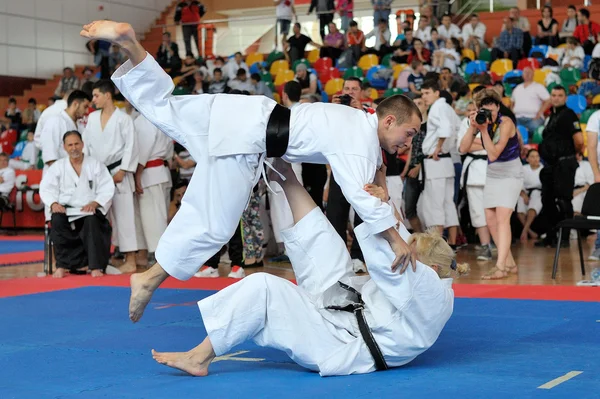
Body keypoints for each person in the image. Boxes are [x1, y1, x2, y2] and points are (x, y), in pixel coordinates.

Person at [80, 20, 422, 322]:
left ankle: (131, 43)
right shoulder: (360, 138)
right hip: (246, 141)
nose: (406, 144)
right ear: (389, 120)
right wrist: (395, 240)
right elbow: (361, 195)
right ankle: (149, 278)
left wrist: (382, 185)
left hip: (243, 113)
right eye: (407, 134)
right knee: (215, 225)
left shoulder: (360, 122)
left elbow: (374, 170)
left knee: (166, 108)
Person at [151, 158, 465, 377]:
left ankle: (200, 356)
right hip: (351, 313)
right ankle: (285, 174)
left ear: (431, 268)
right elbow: (397, 236)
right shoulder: (429, 283)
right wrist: (380, 185)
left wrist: (374, 201)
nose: (403, 251)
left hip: (342, 343)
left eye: (412, 255)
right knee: (326, 244)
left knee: (264, 287)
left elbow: (391, 249)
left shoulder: (431, 292)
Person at [460, 89, 523, 280]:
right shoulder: (480, 122)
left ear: (498, 107)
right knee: (491, 219)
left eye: (493, 111)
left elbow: (494, 154)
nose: (489, 115)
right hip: (493, 173)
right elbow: (463, 148)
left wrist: (483, 132)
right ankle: (510, 263)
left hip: (511, 172)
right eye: (485, 111)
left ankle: (500, 266)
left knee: (503, 218)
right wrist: (473, 128)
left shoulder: (506, 123)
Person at [83, 79, 140, 273]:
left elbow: (131, 145)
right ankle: (103, 257)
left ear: (108, 95)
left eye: (96, 95)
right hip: (99, 173)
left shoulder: (124, 118)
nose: (93, 99)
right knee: (101, 217)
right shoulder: (92, 119)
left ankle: (131, 259)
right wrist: (91, 172)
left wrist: (124, 170)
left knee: (124, 216)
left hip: (119, 173)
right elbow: (87, 146)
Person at [39, 131, 114, 278]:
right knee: (57, 219)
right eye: (70, 145)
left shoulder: (95, 165)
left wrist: (95, 202)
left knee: (91, 221)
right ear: (64, 147)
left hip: (89, 209)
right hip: (66, 209)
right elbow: (46, 188)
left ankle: (95, 266)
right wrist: (54, 203)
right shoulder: (58, 167)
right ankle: (61, 266)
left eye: (76, 144)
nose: (74, 148)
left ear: (82, 144)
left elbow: (107, 187)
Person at [536, 85, 583, 248]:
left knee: (564, 200)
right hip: (550, 164)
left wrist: (573, 154)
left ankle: (564, 237)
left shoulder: (569, 115)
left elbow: (579, 140)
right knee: (547, 199)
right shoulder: (550, 116)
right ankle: (550, 235)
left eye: (559, 95)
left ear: (565, 98)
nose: (556, 98)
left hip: (564, 162)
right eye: (553, 95)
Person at [419, 80, 459, 246]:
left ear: (437, 93)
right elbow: (455, 128)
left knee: (435, 203)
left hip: (437, 160)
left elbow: (446, 129)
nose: (424, 96)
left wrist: (438, 147)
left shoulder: (438, 106)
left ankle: (438, 245)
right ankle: (452, 243)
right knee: (447, 202)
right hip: (446, 161)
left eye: (427, 93)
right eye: (422, 93)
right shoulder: (448, 108)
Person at [134, 115, 173, 267]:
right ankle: (159, 253)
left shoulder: (144, 120)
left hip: (149, 173)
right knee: (159, 215)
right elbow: (169, 149)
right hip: (161, 171)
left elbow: (143, 150)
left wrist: (138, 174)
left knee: (153, 217)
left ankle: (157, 254)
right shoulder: (161, 117)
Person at [457, 101, 492, 261]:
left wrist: (475, 142)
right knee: (477, 212)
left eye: (475, 110)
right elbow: (463, 147)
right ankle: (485, 245)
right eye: (469, 110)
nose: (472, 113)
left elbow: (499, 145)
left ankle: (497, 243)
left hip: (493, 169)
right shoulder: (465, 123)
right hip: (474, 170)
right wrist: (484, 143)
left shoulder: (492, 122)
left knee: (496, 211)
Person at [39, 90, 91, 170]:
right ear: (76, 104)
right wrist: (63, 176)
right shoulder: (55, 121)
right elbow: (50, 157)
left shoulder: (80, 126)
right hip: (56, 177)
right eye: (85, 107)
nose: (87, 111)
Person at [517, 149, 543, 242]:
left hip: (538, 192)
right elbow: (519, 183)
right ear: (527, 159)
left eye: (537, 156)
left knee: (534, 203)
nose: (535, 159)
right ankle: (529, 231)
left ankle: (525, 230)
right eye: (532, 156)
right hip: (524, 192)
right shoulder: (524, 168)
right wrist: (523, 195)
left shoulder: (543, 169)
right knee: (520, 203)